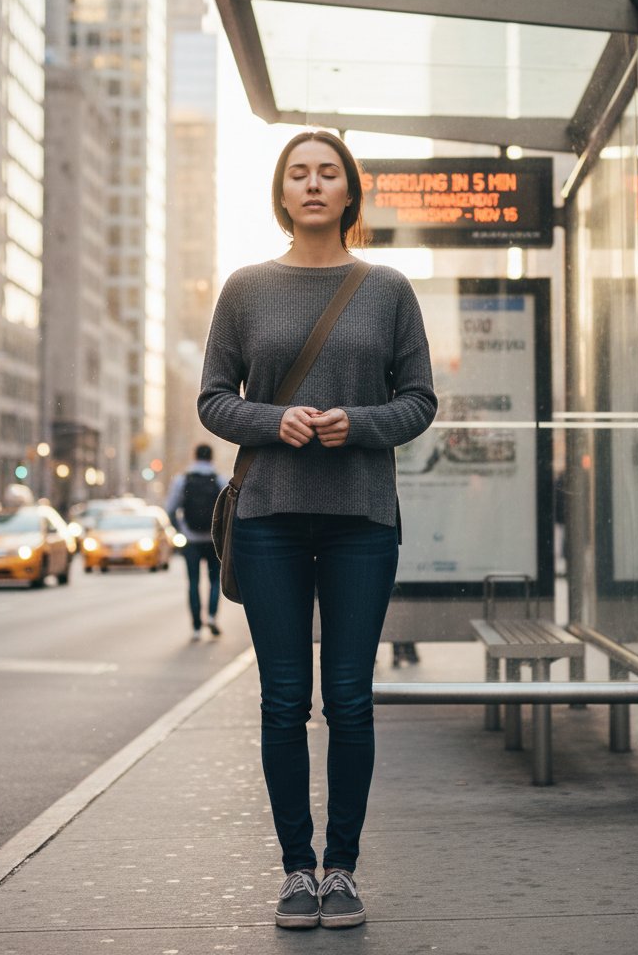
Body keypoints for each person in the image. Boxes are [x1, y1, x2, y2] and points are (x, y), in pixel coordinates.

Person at [198, 130, 437, 929]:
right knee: (281, 702)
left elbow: (419, 401)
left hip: (361, 519)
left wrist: (355, 424)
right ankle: (297, 870)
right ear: (281, 191)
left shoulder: (387, 288)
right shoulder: (245, 287)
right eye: (297, 173)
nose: (311, 184)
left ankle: (343, 868)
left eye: (326, 172)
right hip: (267, 518)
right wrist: (275, 419)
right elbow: (212, 400)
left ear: (348, 192)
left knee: (350, 699)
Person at [165, 444, 226, 641]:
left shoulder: (182, 480)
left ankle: (196, 628)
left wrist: (180, 529)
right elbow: (227, 508)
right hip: (213, 540)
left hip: (191, 540)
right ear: (211, 457)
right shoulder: (220, 480)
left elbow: (171, 509)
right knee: (215, 581)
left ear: (194, 455)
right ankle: (211, 616)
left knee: (193, 583)